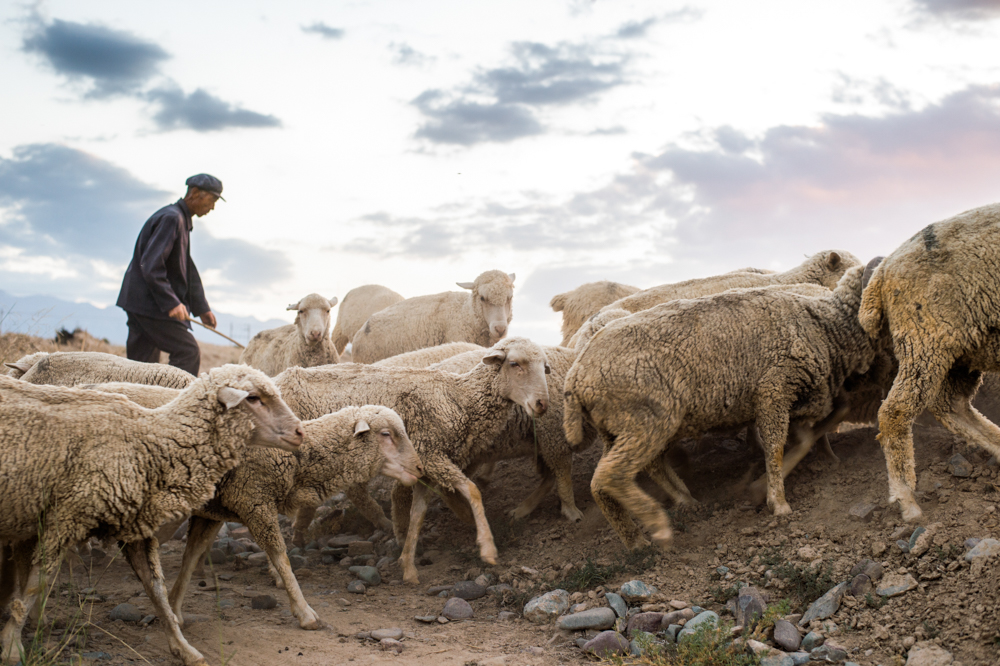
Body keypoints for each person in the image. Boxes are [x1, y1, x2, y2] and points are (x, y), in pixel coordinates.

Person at [116, 174, 223, 375]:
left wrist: (202, 308)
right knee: (187, 352)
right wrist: (172, 302)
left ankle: (138, 403)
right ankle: (175, 403)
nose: (213, 207)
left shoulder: (179, 219)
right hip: (151, 305)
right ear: (195, 193)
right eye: (213, 199)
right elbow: (151, 265)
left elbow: (186, 270)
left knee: (142, 368)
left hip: (141, 303)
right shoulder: (172, 218)